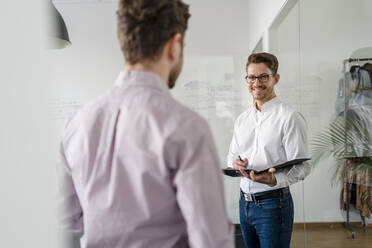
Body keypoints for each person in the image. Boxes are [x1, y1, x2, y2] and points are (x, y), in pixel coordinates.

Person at [57, 1, 234, 247]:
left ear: (124, 44)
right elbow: (210, 240)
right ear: (174, 45)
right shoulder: (188, 128)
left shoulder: (76, 125)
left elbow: (66, 218)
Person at [227, 52, 311, 248]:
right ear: (246, 79)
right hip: (244, 203)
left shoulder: (289, 117)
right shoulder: (242, 119)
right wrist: (235, 163)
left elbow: (303, 167)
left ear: (276, 78)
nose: (257, 82)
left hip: (273, 205)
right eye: (251, 77)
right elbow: (231, 155)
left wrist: (274, 180)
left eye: (263, 76)